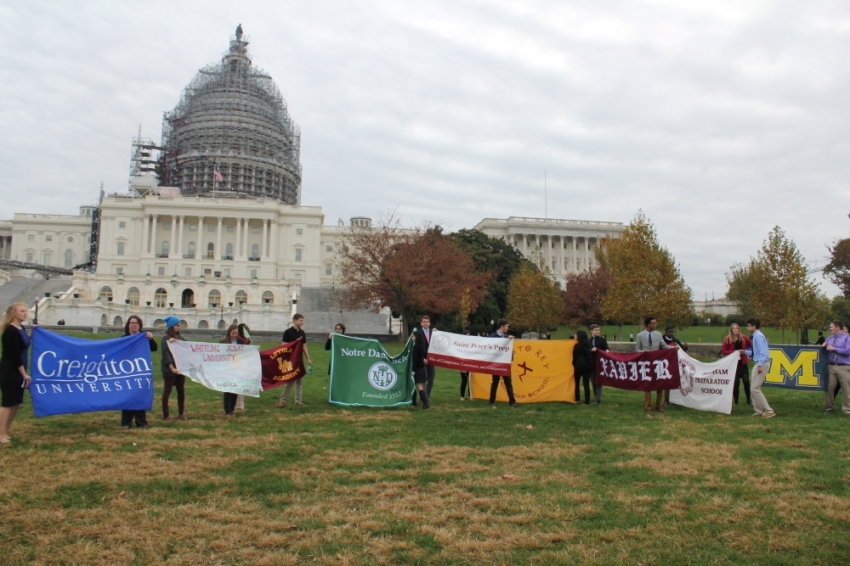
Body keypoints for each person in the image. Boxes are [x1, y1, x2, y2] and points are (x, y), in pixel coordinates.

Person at [0, 303, 32, 444]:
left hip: (20, 370)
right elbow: (14, 356)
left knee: (16, 402)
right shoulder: (10, 331)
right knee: (8, 402)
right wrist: (24, 374)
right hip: (10, 370)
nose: (26, 313)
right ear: (13, 313)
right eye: (22, 311)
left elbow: (23, 344)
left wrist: (32, 334)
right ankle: (1, 434)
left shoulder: (21, 329)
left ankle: (5, 431)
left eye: (26, 311)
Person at [121, 315, 158, 428]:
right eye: (132, 323)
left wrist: (151, 339)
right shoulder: (124, 339)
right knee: (127, 396)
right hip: (127, 371)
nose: (134, 325)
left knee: (140, 396)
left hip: (140, 371)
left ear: (140, 326)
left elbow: (154, 348)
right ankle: (126, 422)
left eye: (136, 323)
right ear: (128, 325)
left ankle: (141, 421)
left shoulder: (144, 338)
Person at [636, 316, 675, 413]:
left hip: (657, 363)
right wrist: (643, 351)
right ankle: (648, 406)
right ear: (648, 324)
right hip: (646, 364)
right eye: (653, 323)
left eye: (655, 323)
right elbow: (637, 349)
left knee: (659, 384)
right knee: (647, 385)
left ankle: (659, 405)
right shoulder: (640, 335)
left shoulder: (658, 334)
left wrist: (674, 348)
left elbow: (664, 346)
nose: (655, 325)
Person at [279, 313, 312, 408]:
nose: (302, 322)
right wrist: (295, 343)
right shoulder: (288, 332)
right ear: (295, 321)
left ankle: (298, 400)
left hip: (299, 359)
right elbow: (283, 345)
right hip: (290, 359)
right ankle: (282, 400)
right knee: (291, 379)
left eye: (302, 320)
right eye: (300, 320)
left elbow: (303, 346)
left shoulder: (302, 333)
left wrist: (308, 358)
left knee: (299, 380)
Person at [746, 318, 775, 418]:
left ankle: (769, 410)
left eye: (749, 325)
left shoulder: (758, 336)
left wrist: (759, 365)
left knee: (755, 388)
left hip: (762, 363)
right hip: (759, 362)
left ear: (754, 326)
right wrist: (744, 352)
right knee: (753, 388)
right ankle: (758, 411)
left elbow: (763, 352)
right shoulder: (757, 336)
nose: (747, 327)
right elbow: (757, 352)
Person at [160, 316, 188, 422]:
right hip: (169, 369)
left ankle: (181, 413)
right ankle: (166, 415)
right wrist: (171, 368)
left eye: (180, 325)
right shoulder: (165, 338)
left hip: (180, 368)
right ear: (172, 326)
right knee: (167, 390)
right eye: (177, 325)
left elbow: (187, 346)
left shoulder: (179, 338)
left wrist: (177, 341)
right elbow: (165, 354)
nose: (179, 327)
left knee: (181, 391)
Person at [721, 323, 752, 406]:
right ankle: (736, 401)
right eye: (733, 328)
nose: (735, 330)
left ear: (739, 329)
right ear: (731, 330)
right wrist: (735, 352)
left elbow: (752, 344)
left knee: (746, 380)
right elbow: (724, 351)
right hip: (734, 364)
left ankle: (749, 399)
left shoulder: (744, 338)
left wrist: (746, 351)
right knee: (736, 382)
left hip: (743, 362)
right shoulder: (727, 339)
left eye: (737, 328)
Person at [823, 320, 850, 414]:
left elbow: (848, 351)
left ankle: (847, 409)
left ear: (837, 327)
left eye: (831, 327)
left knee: (846, 388)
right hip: (831, 366)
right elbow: (825, 345)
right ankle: (829, 407)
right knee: (830, 388)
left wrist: (834, 349)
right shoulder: (830, 338)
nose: (830, 329)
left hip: (843, 367)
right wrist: (824, 345)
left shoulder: (847, 338)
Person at [489, 319, 517, 409]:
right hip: (496, 363)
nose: (508, 328)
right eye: (507, 326)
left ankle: (512, 402)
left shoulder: (508, 337)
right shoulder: (492, 337)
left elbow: (510, 350)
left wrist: (511, 359)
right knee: (495, 382)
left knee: (508, 382)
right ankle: (492, 401)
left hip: (505, 364)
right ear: (502, 326)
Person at [412, 315, 436, 405]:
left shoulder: (433, 332)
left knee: (431, 378)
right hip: (422, 359)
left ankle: (427, 396)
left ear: (429, 323)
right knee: (422, 380)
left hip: (432, 359)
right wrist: (422, 358)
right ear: (421, 323)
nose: (426, 323)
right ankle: (423, 398)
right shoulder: (418, 333)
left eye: (427, 322)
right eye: (424, 322)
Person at [221, 325, 243, 417]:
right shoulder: (223, 342)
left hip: (237, 368)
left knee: (235, 389)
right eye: (233, 333)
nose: (234, 335)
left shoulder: (241, 342)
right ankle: (227, 409)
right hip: (227, 368)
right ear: (229, 333)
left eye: (236, 333)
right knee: (228, 389)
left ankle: (232, 409)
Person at [572, 330, 594, 405]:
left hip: (578, 366)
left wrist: (573, 363)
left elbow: (574, 356)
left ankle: (577, 399)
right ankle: (587, 402)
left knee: (576, 383)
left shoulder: (576, 346)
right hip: (587, 366)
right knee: (586, 384)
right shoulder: (588, 345)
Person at [589, 324, 609, 404]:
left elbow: (606, 348)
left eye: (598, 330)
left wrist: (606, 351)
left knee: (599, 381)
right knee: (593, 381)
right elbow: (586, 350)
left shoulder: (602, 340)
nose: (598, 331)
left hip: (600, 364)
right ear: (591, 331)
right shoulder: (588, 341)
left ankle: (598, 398)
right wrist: (591, 350)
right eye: (596, 330)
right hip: (591, 364)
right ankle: (596, 395)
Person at [234, 323, 252, 411]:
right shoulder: (241, 340)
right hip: (240, 364)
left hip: (244, 364)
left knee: (243, 385)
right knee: (240, 385)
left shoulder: (244, 340)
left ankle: (240, 404)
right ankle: (239, 405)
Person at [411, 332, 431, 409]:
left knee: (419, 386)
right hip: (422, 368)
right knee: (418, 385)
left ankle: (425, 404)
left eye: (413, 336)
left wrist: (413, 370)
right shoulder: (422, 346)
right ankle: (414, 402)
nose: (412, 338)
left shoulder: (416, 347)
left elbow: (415, 360)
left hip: (417, 369)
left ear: (417, 337)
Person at [460, 330, 471, 400]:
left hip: (471, 364)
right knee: (464, 380)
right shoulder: (461, 344)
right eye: (467, 335)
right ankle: (462, 396)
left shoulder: (472, 344)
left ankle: (470, 395)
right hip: (463, 364)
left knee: (470, 381)